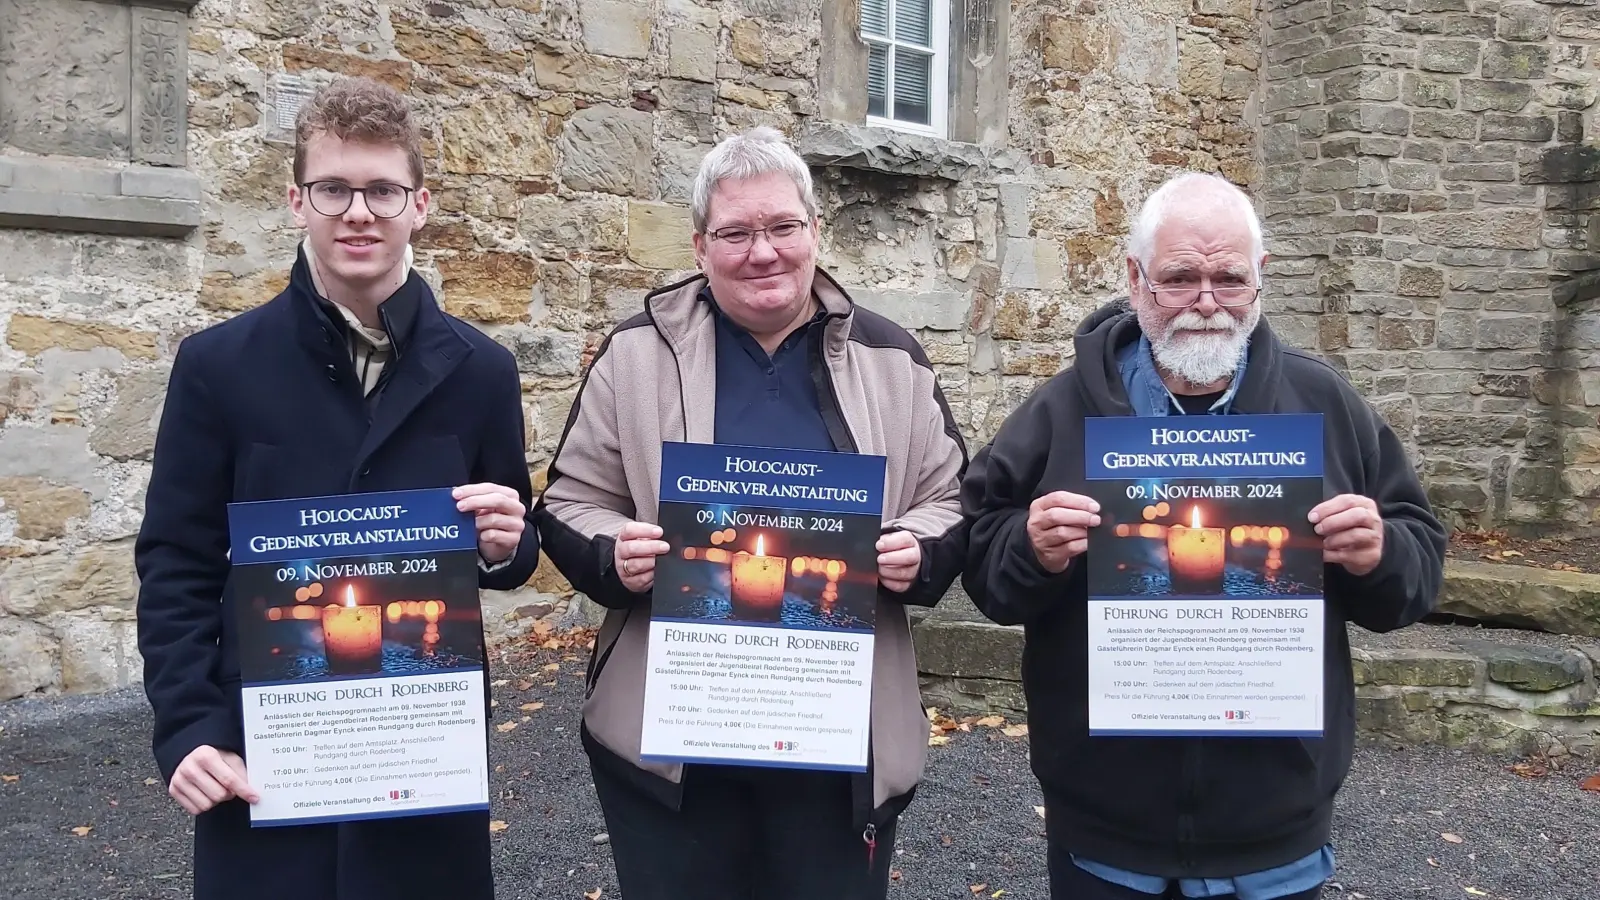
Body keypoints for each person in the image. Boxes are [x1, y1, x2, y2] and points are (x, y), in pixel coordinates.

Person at [959, 172, 1446, 900]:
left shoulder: (1324, 405)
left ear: (1261, 280)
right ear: (1135, 279)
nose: (1208, 303)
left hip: (1275, 827)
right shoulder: (1061, 412)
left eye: (1230, 278)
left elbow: (1418, 560)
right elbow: (983, 558)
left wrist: (1381, 553)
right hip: (1105, 830)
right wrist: (1032, 548)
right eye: (1181, 279)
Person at [532, 126, 969, 900]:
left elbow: (953, 500)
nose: (761, 251)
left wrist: (914, 547)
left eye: (781, 227)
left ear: (815, 233)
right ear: (700, 246)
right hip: (676, 746)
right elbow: (570, 500)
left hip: (840, 740)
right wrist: (613, 553)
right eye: (735, 232)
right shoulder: (636, 356)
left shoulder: (892, 359)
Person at [134, 76, 539, 900]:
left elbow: (511, 543)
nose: (360, 212)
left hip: (420, 758)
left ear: (418, 205)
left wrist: (509, 541)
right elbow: (176, 561)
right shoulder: (217, 367)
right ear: (296, 201)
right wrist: (189, 730)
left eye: (383, 190)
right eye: (335, 189)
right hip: (267, 755)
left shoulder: (482, 372)